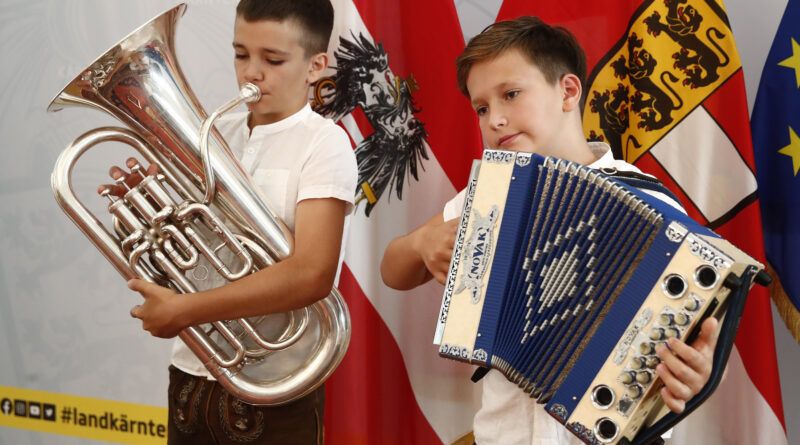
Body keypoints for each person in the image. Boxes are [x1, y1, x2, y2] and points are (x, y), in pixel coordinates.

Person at [380, 16, 720, 445]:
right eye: (481, 108)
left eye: (511, 95)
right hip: (505, 435)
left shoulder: (649, 202)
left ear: (569, 91)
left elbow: (696, 330)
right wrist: (421, 242)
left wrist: (698, 369)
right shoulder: (486, 195)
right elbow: (393, 269)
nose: (495, 120)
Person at [108, 1, 357, 444]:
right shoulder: (216, 137)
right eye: (241, 54)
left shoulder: (325, 145)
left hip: (276, 386)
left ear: (316, 66)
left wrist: (185, 311)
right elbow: (190, 262)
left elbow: (312, 274)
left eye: (273, 59)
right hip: (190, 374)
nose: (251, 73)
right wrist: (145, 218)